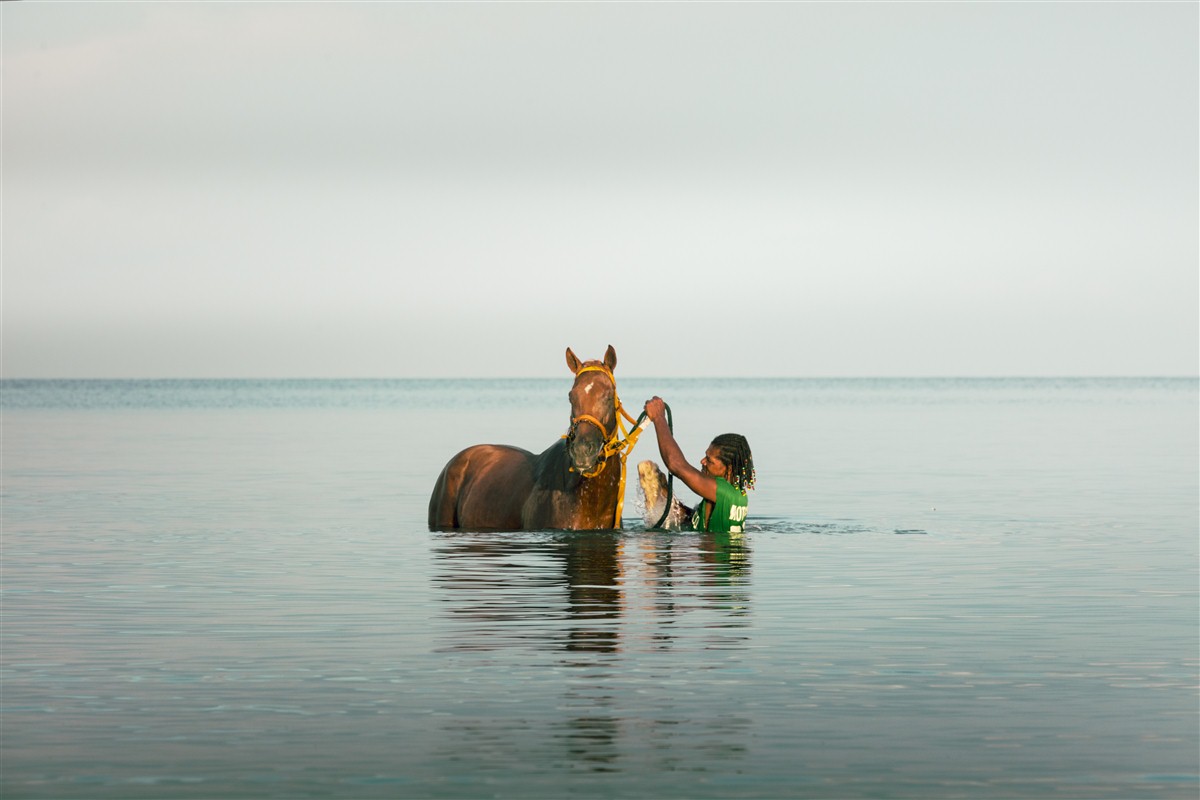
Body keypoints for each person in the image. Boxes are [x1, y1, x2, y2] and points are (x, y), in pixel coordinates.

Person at [642, 396, 755, 534]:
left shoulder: (721, 491)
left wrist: (659, 418)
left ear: (729, 469)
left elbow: (676, 465)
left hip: (708, 548)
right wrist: (668, 497)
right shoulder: (737, 494)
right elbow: (696, 521)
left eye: (709, 460)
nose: (703, 462)